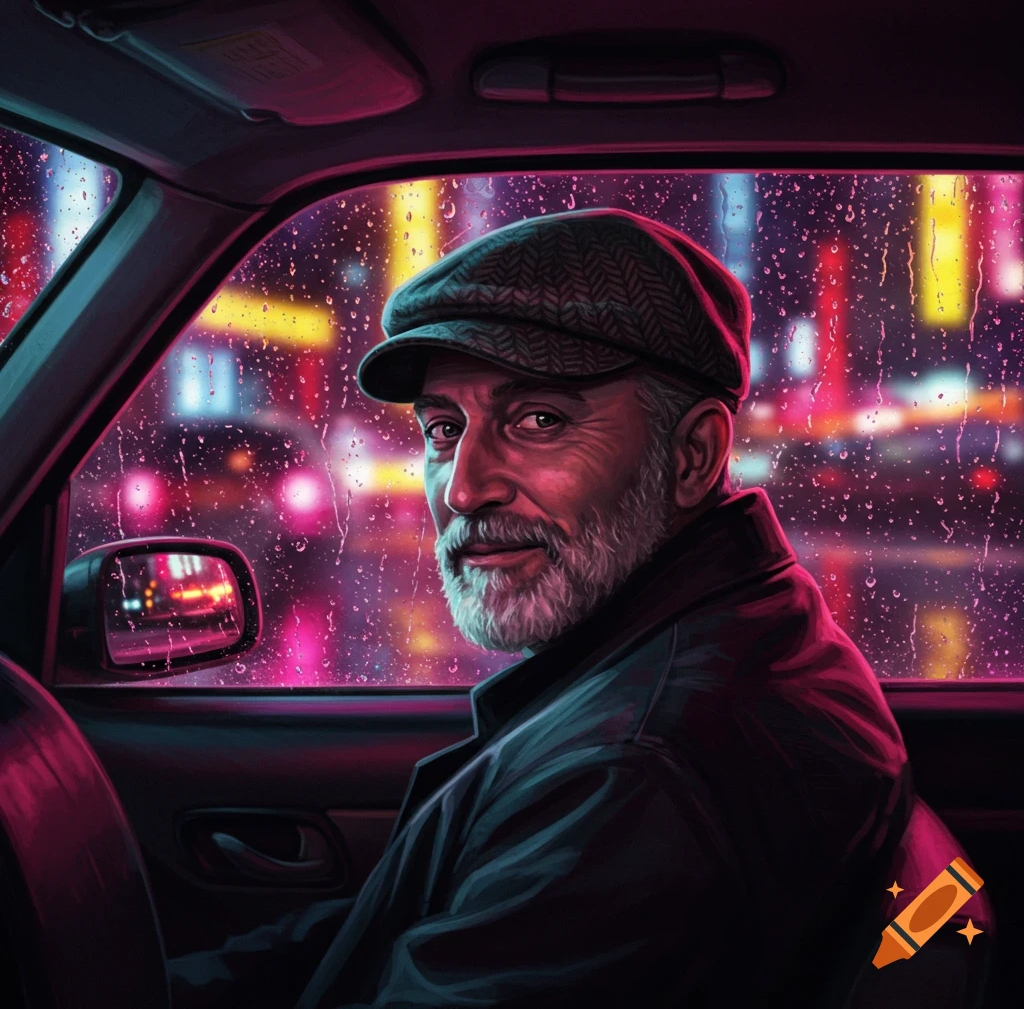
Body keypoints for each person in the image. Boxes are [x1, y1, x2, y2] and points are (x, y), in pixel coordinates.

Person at [168, 209, 915, 1008]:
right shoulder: (705, 633)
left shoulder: (630, 777)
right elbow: (391, 930)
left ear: (691, 455)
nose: (463, 488)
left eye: (539, 420)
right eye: (443, 428)